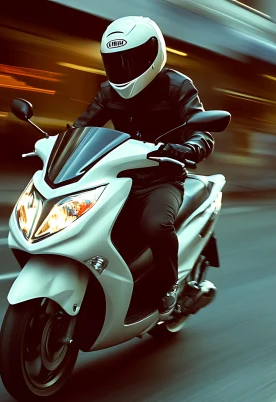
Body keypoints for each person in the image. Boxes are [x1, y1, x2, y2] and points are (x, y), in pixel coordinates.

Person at [73, 16, 214, 314]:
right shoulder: (108, 92)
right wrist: (56, 146)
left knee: (155, 225)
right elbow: (81, 129)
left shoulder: (178, 87)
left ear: (153, 54)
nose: (124, 69)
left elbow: (203, 133)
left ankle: (168, 285)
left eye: (132, 60)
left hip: (162, 179)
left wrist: (187, 148)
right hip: (117, 176)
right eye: (116, 62)